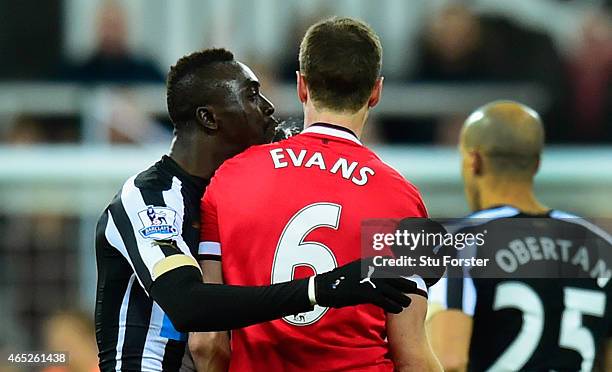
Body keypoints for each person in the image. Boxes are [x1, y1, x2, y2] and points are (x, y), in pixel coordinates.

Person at [95, 48, 418, 372]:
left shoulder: (230, 198)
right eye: (251, 95)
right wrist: (321, 287)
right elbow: (187, 304)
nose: (269, 107)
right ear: (209, 118)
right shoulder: (150, 198)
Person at [195, 18, 443, 372]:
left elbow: (207, 342)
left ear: (301, 85)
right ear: (376, 92)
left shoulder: (231, 178)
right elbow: (412, 356)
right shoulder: (399, 199)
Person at [427, 101, 612, 371]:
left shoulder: (462, 243)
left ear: (474, 161)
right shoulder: (600, 245)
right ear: (536, 163)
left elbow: (450, 361)